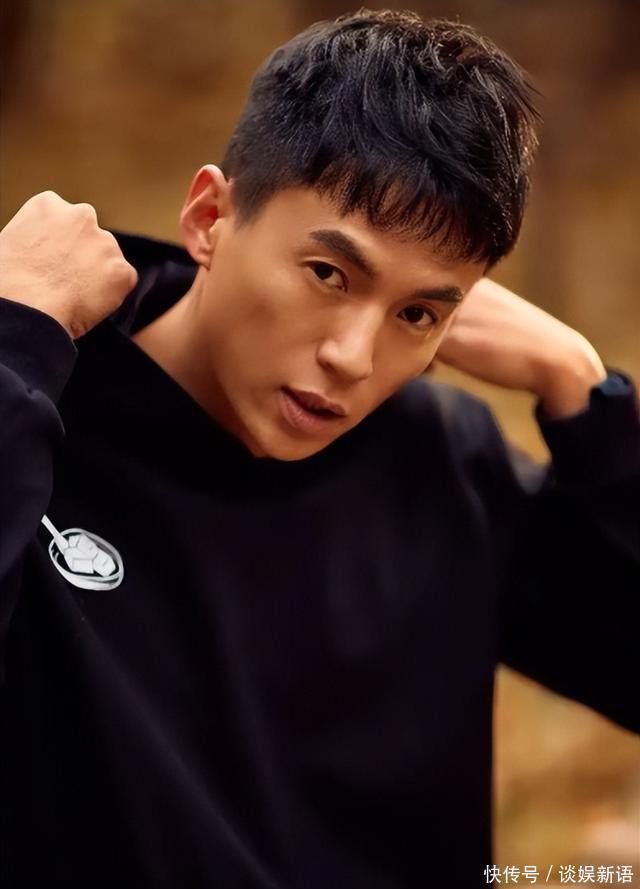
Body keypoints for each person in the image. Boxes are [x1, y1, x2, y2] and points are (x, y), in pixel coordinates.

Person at [0, 9, 638, 889]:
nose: (354, 356)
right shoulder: (40, 420)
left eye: (418, 312)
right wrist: (14, 343)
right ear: (209, 216)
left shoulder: (438, 460)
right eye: (329, 274)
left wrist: (588, 396)